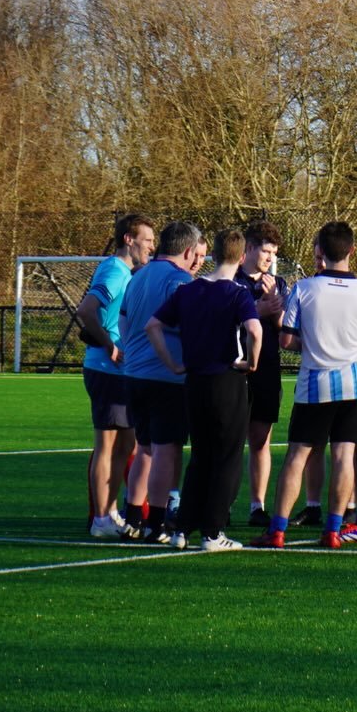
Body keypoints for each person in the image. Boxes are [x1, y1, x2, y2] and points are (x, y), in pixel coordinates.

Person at [252, 221, 357, 550]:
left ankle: (277, 530)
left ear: (320, 252)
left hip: (315, 385)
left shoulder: (304, 289)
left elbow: (286, 339)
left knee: (297, 456)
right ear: (352, 250)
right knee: (344, 456)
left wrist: (312, 343)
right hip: (354, 386)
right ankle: (333, 530)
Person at [146, 229, 262, 551]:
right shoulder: (238, 293)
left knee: (200, 456)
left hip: (194, 382)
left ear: (211, 256)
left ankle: (182, 529)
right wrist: (251, 362)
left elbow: (152, 326)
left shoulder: (188, 290)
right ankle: (212, 532)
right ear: (241, 258)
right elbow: (255, 329)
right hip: (227, 380)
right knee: (226, 457)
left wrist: (172, 363)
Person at [119, 219, 203, 544]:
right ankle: (156, 523)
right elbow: (191, 328)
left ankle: (133, 518)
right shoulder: (180, 282)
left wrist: (132, 353)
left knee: (145, 449)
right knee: (166, 450)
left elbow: (124, 323)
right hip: (167, 376)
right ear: (187, 250)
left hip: (135, 374)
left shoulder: (137, 278)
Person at [76, 213, 156, 539]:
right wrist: (109, 344)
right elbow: (86, 311)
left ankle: (111, 511)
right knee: (107, 446)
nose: (152, 246)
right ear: (129, 239)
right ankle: (102, 518)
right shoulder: (114, 271)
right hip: (106, 370)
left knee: (127, 444)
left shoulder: (125, 272)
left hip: (120, 371)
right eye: (147, 240)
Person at [232, 221, 288, 529]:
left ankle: (257, 506)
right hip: (237, 370)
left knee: (260, 440)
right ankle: (224, 502)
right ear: (249, 247)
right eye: (265, 250)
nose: (268, 257)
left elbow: (286, 331)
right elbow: (225, 320)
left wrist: (275, 309)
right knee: (231, 439)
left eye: (273, 252)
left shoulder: (277, 282)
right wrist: (257, 309)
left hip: (267, 370)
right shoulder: (232, 279)